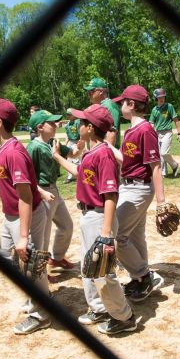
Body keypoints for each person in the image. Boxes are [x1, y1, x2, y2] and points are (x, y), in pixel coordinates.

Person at [51, 104, 137, 334]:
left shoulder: (104, 154)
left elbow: (110, 194)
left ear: (90, 128)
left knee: (102, 269)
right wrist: (58, 157)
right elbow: (80, 173)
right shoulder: (92, 152)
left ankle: (124, 317)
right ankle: (99, 308)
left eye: (81, 123)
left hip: (100, 217)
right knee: (89, 267)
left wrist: (106, 233)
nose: (77, 126)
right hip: (90, 215)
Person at [0, 99, 52, 335]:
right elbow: (12, 190)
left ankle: (41, 313)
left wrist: (24, 236)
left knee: (30, 262)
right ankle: (37, 295)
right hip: (11, 215)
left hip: (24, 216)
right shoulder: (4, 149)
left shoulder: (14, 153)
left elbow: (26, 197)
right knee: (9, 259)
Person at [112, 85, 167, 302]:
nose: (120, 105)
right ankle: (140, 279)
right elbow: (129, 162)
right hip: (129, 185)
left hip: (139, 188)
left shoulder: (145, 130)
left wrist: (161, 202)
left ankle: (145, 275)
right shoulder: (131, 130)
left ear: (132, 105)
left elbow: (155, 166)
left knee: (117, 236)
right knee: (135, 235)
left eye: (122, 102)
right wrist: (109, 149)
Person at [26, 110, 78, 278]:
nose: (56, 125)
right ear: (40, 127)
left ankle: (56, 258)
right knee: (43, 235)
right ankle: (40, 273)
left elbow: (73, 154)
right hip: (42, 193)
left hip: (54, 190)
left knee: (67, 226)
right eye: (51, 123)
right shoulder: (33, 147)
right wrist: (40, 193)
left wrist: (83, 139)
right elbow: (28, 176)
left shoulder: (53, 142)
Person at [148, 88, 180, 177]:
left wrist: (179, 132)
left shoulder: (169, 106)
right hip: (157, 133)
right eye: (159, 97)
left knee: (164, 153)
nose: (161, 99)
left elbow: (176, 119)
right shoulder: (154, 110)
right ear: (156, 98)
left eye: (163, 97)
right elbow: (151, 123)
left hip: (167, 132)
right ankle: (163, 173)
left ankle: (175, 165)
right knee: (160, 155)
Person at [83, 77, 122, 148]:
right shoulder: (99, 106)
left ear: (101, 91)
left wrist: (108, 154)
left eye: (91, 91)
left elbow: (112, 132)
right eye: (88, 92)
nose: (88, 94)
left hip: (105, 151)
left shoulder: (109, 105)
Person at [63, 109, 82, 183]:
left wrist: (80, 142)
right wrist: (65, 144)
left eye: (70, 114)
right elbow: (67, 136)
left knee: (77, 159)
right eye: (67, 114)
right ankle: (69, 177)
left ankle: (79, 175)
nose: (68, 116)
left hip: (77, 142)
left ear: (74, 114)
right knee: (69, 159)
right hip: (70, 142)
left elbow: (80, 133)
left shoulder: (77, 122)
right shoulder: (68, 124)